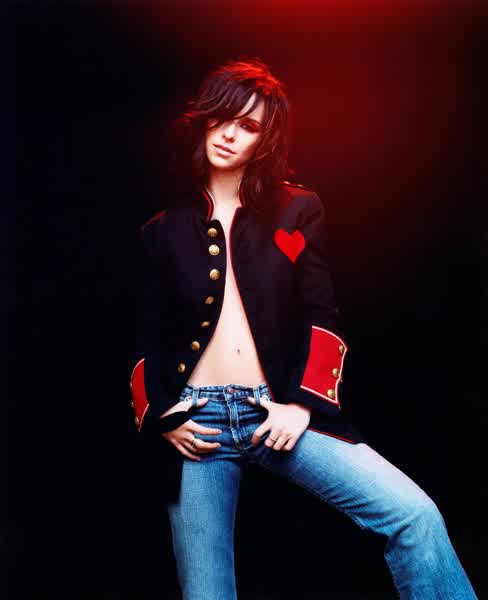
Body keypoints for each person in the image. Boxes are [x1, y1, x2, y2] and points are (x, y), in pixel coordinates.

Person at [129, 57, 477, 599]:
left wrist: (302, 404)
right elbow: (146, 334)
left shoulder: (298, 210)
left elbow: (321, 313)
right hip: (198, 424)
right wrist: (161, 416)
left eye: (248, 125)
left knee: (414, 515)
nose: (229, 134)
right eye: (222, 117)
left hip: (275, 408)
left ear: (264, 140)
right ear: (203, 120)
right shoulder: (162, 230)